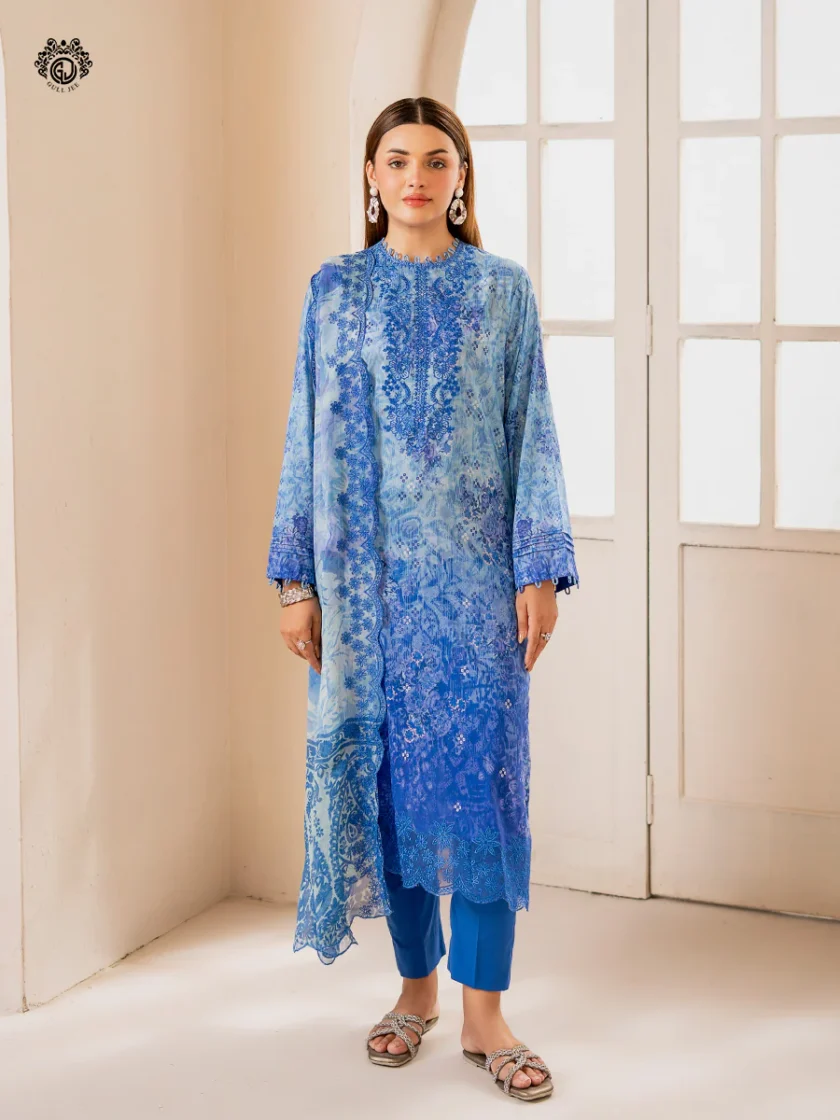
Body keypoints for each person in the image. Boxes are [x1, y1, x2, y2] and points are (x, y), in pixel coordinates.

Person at [266, 96, 579, 1103]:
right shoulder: (335, 292)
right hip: (367, 597)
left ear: (460, 177)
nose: (416, 177)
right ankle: (415, 991)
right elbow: (304, 434)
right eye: (396, 160)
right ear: (371, 176)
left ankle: (486, 1015)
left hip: (476, 591)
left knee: (483, 794)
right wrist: (295, 581)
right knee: (394, 796)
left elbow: (533, 429)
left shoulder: (502, 291)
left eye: (436, 161)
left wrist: (539, 568)